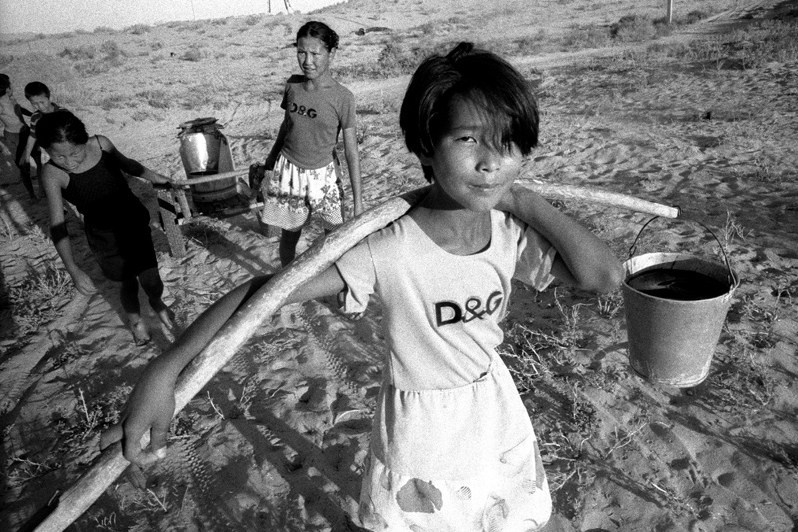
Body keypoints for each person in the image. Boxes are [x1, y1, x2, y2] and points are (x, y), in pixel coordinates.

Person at [102, 43, 623, 529]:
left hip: (494, 409)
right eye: (468, 140)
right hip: (422, 433)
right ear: (425, 144)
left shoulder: (508, 232)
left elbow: (603, 275)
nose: (490, 163)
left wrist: (522, 200)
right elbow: (267, 290)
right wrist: (164, 370)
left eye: (508, 146)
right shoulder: (389, 247)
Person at [37, 110, 176, 345]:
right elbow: (58, 225)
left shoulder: (101, 145)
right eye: (59, 156)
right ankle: (136, 322)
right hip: (104, 238)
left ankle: (156, 301)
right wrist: (73, 269)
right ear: (46, 151)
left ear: (85, 141)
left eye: (75, 153)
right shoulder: (51, 174)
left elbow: (130, 166)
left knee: (152, 278)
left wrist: (157, 178)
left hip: (133, 223)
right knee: (127, 284)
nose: (69, 162)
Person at [260, 20, 363, 266]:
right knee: (289, 235)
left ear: (331, 53)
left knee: (336, 236)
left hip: (323, 176)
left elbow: (351, 151)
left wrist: (359, 202)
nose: (307, 61)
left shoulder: (343, 98)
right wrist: (270, 162)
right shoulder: (293, 86)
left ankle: (342, 286)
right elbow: (287, 127)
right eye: (301, 52)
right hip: (290, 172)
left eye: (315, 53)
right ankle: (285, 282)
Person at [19, 81, 64, 196]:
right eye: (35, 104)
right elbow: (33, 135)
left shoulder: (63, 113)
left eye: (42, 102)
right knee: (52, 181)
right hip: (47, 154)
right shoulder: (35, 117)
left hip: (64, 152)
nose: (40, 106)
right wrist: (27, 154)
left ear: (49, 97)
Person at [0, 74, 34, 198]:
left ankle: (40, 191)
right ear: (7, 88)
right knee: (23, 166)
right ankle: (32, 195)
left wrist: (32, 113)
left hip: (25, 131)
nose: (12, 86)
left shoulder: (12, 98)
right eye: (10, 84)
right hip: (13, 136)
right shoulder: (1, 104)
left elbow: (19, 109)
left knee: (35, 159)